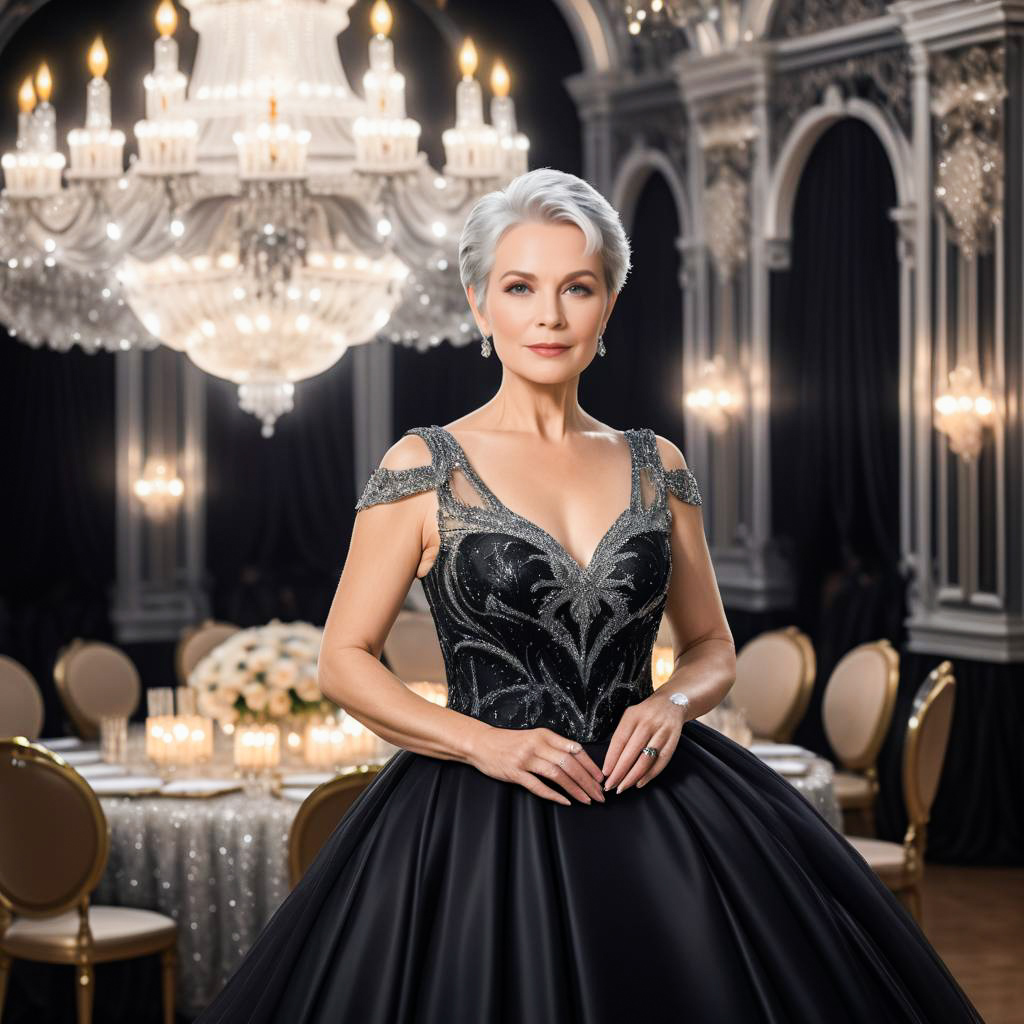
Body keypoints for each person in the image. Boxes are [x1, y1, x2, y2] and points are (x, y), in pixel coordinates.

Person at [195, 168, 983, 1022]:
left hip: (662, 804)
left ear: (607, 305)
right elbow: (343, 663)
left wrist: (674, 704)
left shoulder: (658, 464)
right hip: (478, 814)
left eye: (578, 288)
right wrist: (482, 746)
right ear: (478, 304)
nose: (550, 315)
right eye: (520, 287)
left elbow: (713, 647)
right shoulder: (423, 467)